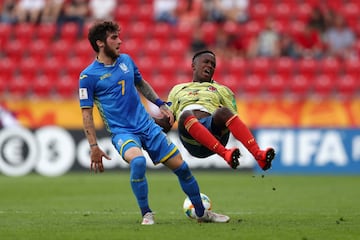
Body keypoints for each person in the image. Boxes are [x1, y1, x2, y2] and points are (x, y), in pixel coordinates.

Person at [78, 21, 230, 225]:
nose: (119, 41)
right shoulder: (88, 76)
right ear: (100, 43)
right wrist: (94, 146)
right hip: (122, 132)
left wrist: (161, 104)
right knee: (138, 162)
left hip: (147, 126)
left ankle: (202, 213)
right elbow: (86, 113)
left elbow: (141, 83)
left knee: (183, 168)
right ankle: (146, 213)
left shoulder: (126, 61)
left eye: (118, 36)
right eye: (114, 38)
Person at [165, 50, 275, 171]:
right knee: (186, 115)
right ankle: (225, 154)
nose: (210, 66)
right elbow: (167, 122)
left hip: (213, 132)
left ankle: (258, 155)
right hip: (191, 140)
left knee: (224, 112)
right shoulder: (177, 89)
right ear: (193, 66)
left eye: (213, 65)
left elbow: (233, 120)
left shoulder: (222, 90)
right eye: (206, 62)